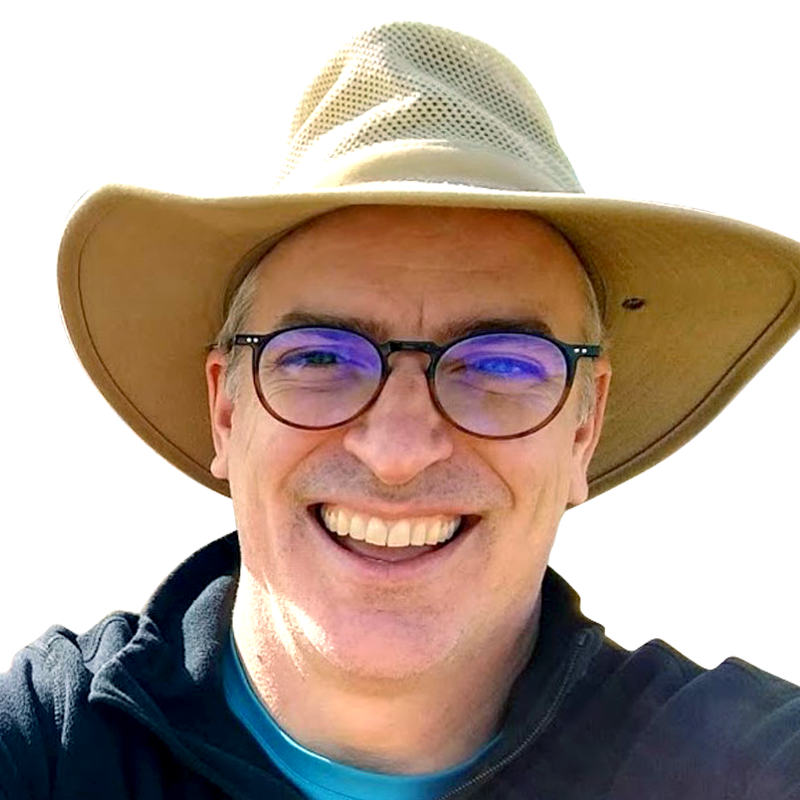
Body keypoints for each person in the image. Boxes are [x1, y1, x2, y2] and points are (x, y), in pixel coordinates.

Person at [3, 20, 800, 800]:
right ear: (226, 412)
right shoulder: (51, 751)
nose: (398, 451)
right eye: (320, 357)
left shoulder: (736, 770)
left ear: (582, 430)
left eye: (499, 363)